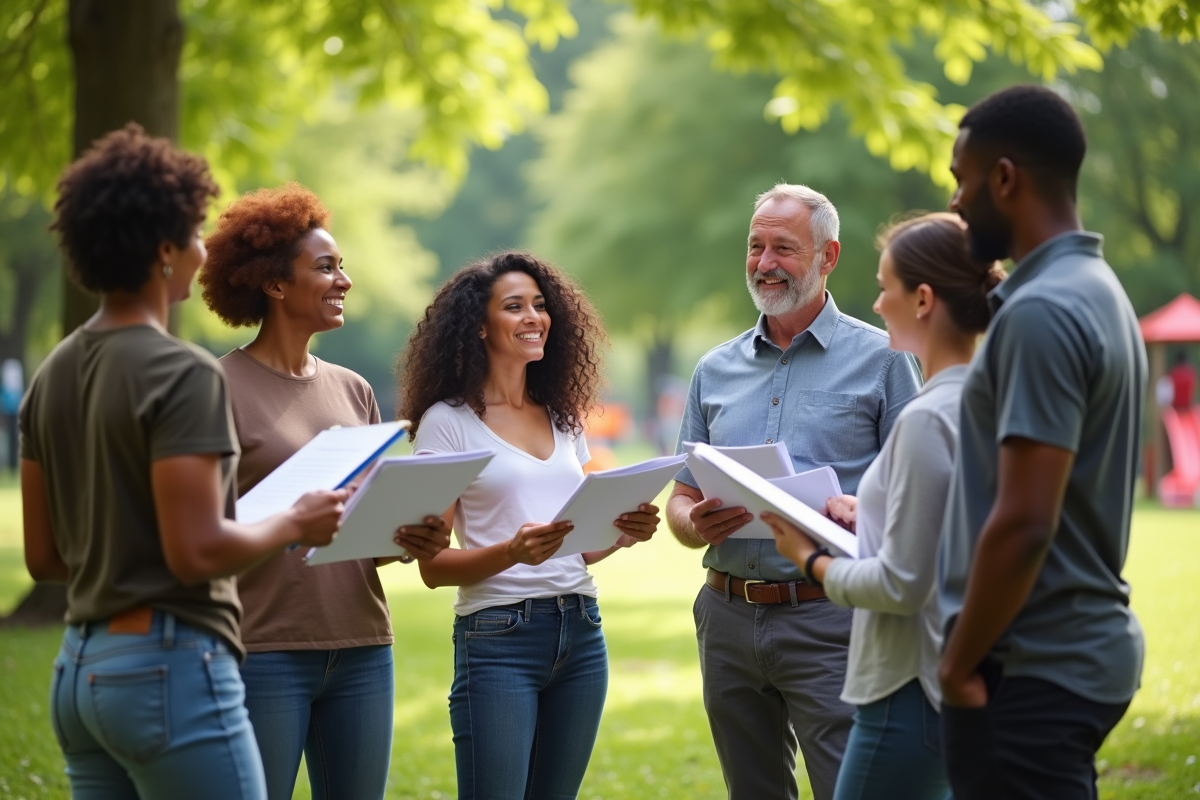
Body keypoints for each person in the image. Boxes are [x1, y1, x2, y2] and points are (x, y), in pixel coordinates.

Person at [18, 124, 347, 799]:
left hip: (80, 669)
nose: (204, 251)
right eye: (195, 235)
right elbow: (198, 551)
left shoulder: (50, 375)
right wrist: (296, 521)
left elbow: (45, 559)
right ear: (164, 252)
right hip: (170, 666)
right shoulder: (182, 373)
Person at [665, 183, 923, 800]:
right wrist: (693, 522)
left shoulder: (885, 359)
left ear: (828, 257)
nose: (764, 262)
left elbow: (918, 495)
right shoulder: (713, 369)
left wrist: (867, 515)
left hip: (833, 618)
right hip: (726, 617)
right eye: (756, 246)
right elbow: (677, 500)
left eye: (784, 247)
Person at [199, 183, 450, 800]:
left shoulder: (354, 390)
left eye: (343, 267)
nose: (345, 280)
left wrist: (411, 535)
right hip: (263, 647)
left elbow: (361, 530)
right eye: (327, 267)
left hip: (363, 645)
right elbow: (202, 532)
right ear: (274, 285)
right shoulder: (214, 387)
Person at [937, 85, 1148, 800]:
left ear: (1004, 177)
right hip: (1074, 655)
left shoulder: (1041, 313)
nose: (957, 202)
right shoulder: (1099, 289)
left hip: (1028, 669)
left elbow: (1026, 521)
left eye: (962, 179)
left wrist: (958, 664)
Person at [398, 251, 661, 800]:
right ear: (478, 325)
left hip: (582, 630)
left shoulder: (561, 414)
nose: (533, 318)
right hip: (498, 640)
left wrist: (619, 533)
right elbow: (432, 566)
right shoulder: (448, 423)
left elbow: (577, 549)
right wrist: (511, 553)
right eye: (513, 307)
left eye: (539, 306)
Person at [763, 213, 1005, 800]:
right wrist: (866, 512)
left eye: (885, 287)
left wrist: (808, 558)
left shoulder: (926, 417)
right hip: (963, 672)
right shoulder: (987, 400)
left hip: (908, 682)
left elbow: (901, 583)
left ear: (922, 299)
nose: (875, 304)